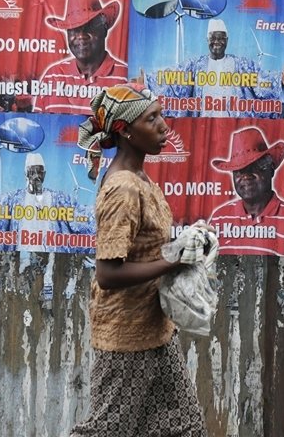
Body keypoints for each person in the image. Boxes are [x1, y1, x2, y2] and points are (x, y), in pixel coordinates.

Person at [72, 83, 206, 436]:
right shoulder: (124, 187)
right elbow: (108, 273)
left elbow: (145, 247)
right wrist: (175, 261)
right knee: (107, 431)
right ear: (126, 131)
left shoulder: (140, 178)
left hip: (156, 330)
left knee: (184, 427)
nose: (164, 126)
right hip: (126, 337)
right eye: (152, 119)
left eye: (161, 115)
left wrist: (187, 242)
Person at [143, 18, 284, 117]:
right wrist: (146, 82)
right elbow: (172, 79)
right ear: (207, 39)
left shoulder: (241, 65)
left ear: (227, 40)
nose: (216, 42)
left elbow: (260, 80)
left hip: (232, 128)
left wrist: (279, 80)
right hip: (204, 128)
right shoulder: (195, 65)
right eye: (213, 38)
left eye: (221, 38)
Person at [0, 152, 94, 252]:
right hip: (21, 259)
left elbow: (82, 215)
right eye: (33, 171)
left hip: (52, 261)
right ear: (26, 174)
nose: (36, 175)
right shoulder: (14, 199)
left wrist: (101, 214)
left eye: (40, 171)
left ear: (44, 174)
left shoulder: (59, 199)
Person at [34, 0, 128, 115]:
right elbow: (39, 123)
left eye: (90, 26)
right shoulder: (53, 76)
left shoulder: (124, 78)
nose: (81, 36)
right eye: (74, 29)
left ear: (104, 30)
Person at [208, 126, 284, 256]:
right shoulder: (219, 218)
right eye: (239, 170)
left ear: (271, 170)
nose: (246, 176)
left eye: (254, 167)